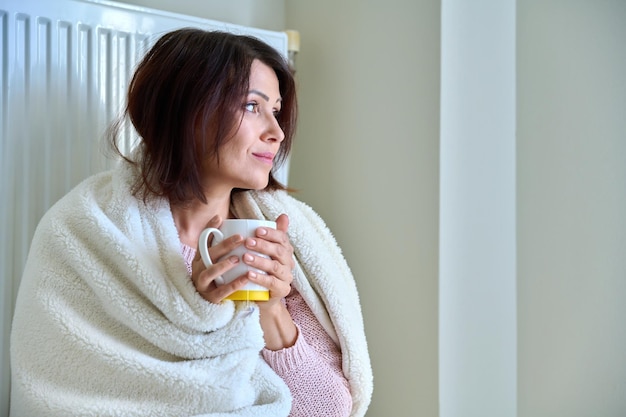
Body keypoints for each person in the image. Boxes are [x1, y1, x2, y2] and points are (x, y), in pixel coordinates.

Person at [10, 28, 372, 417]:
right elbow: (56, 391)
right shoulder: (85, 231)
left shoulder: (280, 243)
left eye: (276, 110)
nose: (277, 132)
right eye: (253, 106)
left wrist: (269, 306)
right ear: (188, 111)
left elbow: (328, 409)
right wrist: (200, 309)